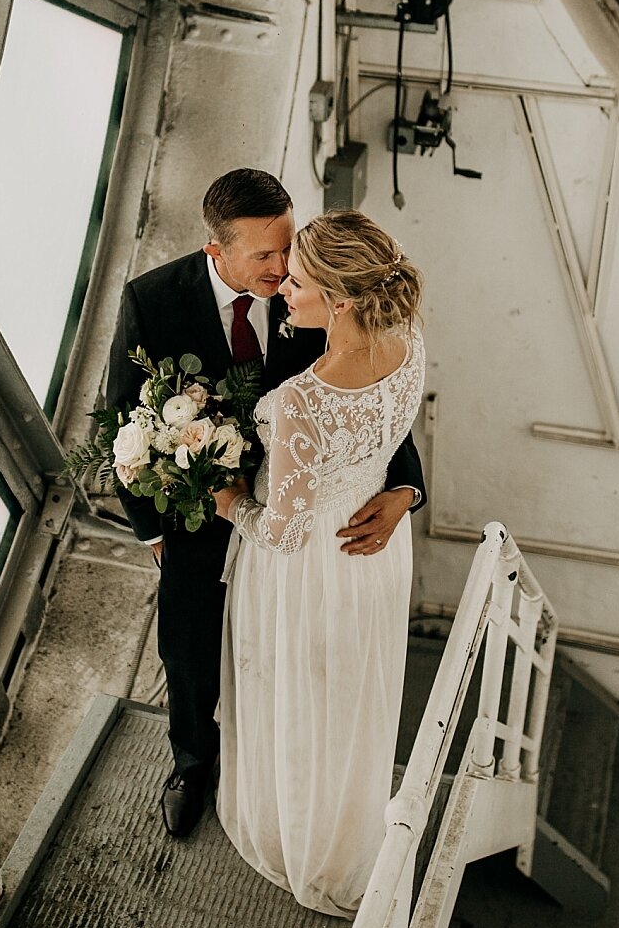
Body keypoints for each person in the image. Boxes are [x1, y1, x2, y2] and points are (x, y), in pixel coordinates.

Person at [107, 172, 427, 839]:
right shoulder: (153, 301)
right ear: (215, 250)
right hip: (198, 514)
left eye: (287, 251)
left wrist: (404, 489)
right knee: (188, 648)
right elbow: (121, 423)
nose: (282, 272)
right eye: (265, 256)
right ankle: (193, 765)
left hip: (303, 524)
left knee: (293, 660)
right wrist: (151, 533)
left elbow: (369, 392)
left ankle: (292, 780)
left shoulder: (318, 291)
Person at [211, 210, 426, 918]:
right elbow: (385, 430)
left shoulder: (303, 401)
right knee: (351, 699)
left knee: (300, 698)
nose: (284, 291)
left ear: (340, 300)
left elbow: (281, 531)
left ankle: (302, 837)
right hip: (374, 560)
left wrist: (231, 504)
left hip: (311, 567)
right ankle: (343, 829)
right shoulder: (408, 342)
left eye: (298, 282)